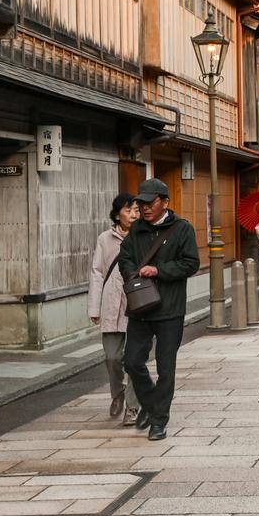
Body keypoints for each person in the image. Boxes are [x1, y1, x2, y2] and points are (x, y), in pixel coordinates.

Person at [119, 178, 201, 442]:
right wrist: (132, 272)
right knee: (131, 361)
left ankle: (158, 421)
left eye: (149, 202)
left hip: (169, 309)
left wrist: (159, 271)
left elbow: (190, 264)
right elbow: (125, 257)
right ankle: (152, 404)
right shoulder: (136, 230)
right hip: (141, 307)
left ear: (165, 202)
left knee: (166, 368)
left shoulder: (182, 229)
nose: (143, 208)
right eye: (140, 203)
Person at [88, 193, 140, 427]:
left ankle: (132, 407)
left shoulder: (143, 236)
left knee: (134, 360)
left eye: (137, 210)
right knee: (112, 358)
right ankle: (117, 392)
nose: (134, 214)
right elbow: (97, 272)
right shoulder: (105, 239)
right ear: (118, 213)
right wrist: (94, 306)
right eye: (129, 210)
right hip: (110, 303)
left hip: (137, 303)